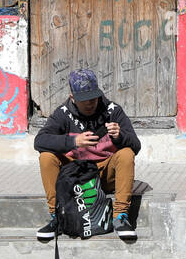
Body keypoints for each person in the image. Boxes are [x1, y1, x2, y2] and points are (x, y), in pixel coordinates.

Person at [34, 68, 142, 242]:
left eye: (93, 98)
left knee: (126, 153)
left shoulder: (113, 110)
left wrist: (120, 136)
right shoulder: (62, 114)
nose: (90, 104)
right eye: (84, 100)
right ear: (73, 98)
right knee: (46, 157)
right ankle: (57, 216)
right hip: (76, 179)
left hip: (104, 175)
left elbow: (136, 146)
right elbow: (39, 141)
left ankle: (120, 216)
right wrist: (73, 142)